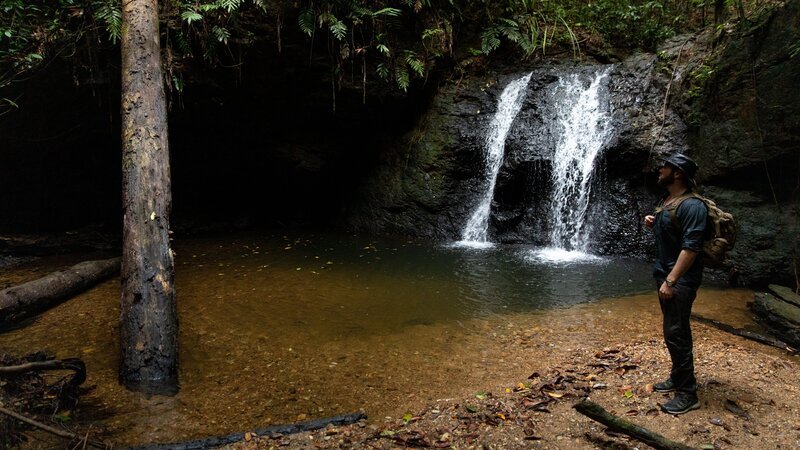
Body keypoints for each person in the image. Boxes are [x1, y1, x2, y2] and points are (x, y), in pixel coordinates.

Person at [644, 153, 707, 415]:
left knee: (676, 333)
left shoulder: (693, 206)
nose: (660, 169)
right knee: (674, 331)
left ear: (678, 173)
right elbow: (673, 233)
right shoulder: (670, 201)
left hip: (679, 280)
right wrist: (653, 221)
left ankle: (687, 393)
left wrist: (671, 281)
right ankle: (677, 377)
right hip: (667, 275)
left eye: (665, 167)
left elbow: (691, 249)